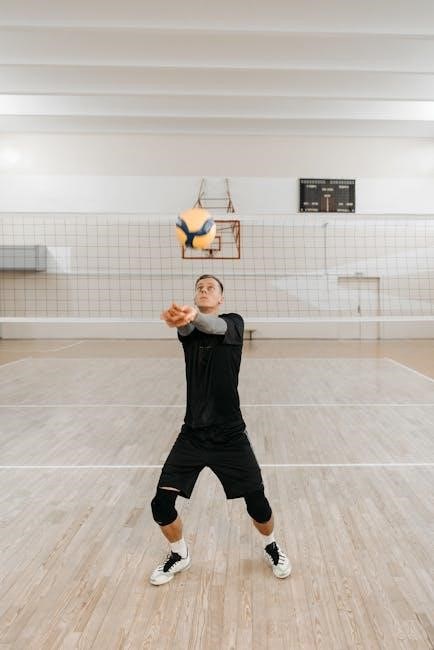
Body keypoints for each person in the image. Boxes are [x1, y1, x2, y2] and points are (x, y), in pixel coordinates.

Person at [150, 274, 291, 585]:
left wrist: (192, 315)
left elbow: (212, 326)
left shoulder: (233, 323)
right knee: (160, 505)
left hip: (230, 436)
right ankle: (179, 554)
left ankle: (271, 546)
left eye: (210, 288)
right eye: (199, 288)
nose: (204, 290)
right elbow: (187, 329)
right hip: (193, 435)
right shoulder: (189, 331)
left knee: (258, 504)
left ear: (221, 299)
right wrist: (182, 319)